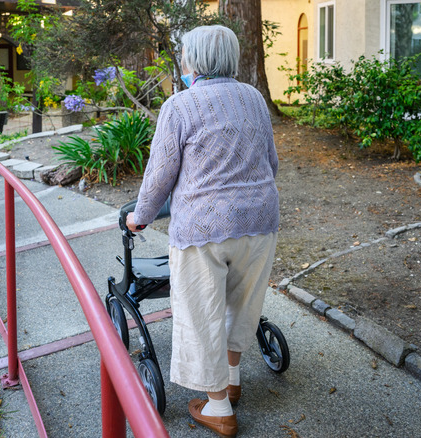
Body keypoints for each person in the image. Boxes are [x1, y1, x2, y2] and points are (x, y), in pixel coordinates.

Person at [126, 25, 279, 437]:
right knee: (241, 305)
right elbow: (271, 162)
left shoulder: (180, 106)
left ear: (193, 60)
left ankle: (218, 407)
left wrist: (140, 215)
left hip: (203, 230)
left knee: (201, 314)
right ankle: (233, 380)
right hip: (259, 222)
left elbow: (160, 175)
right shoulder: (254, 99)